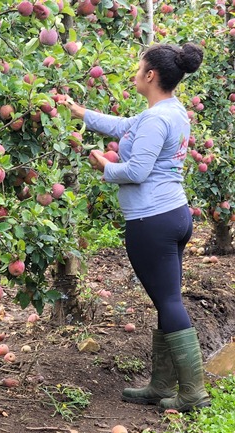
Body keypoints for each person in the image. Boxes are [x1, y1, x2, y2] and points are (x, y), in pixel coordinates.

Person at [63, 43, 209, 412]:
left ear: (151, 75)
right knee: (166, 298)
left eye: (138, 65)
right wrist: (82, 113)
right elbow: (126, 126)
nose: (134, 69)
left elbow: (136, 171)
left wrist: (104, 168)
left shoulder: (157, 118)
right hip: (173, 213)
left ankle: (193, 393)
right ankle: (161, 385)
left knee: (170, 300)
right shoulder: (169, 111)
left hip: (151, 220)